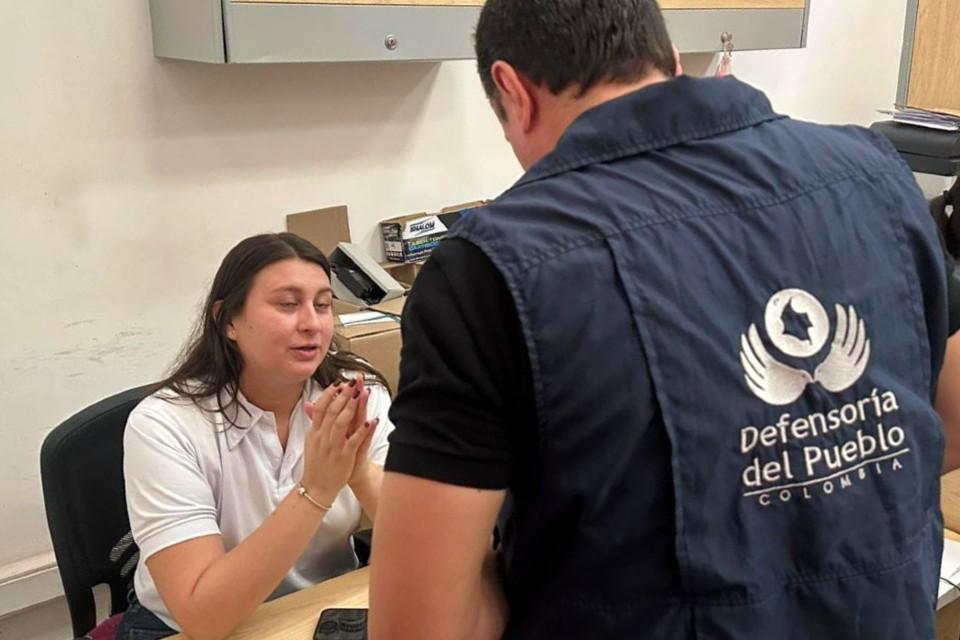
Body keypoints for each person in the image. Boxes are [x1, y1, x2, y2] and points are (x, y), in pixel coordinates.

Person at [369, 1, 960, 638]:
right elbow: (949, 418)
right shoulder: (878, 173)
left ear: (512, 90)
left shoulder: (491, 269)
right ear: (670, 61)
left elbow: (420, 627)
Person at [118, 233, 393, 640]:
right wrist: (316, 490)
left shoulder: (356, 393)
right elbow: (202, 617)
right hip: (187, 627)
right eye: (287, 305)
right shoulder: (164, 425)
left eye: (322, 305)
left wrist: (359, 471)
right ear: (227, 320)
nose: (311, 324)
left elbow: (424, 545)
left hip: (324, 603)